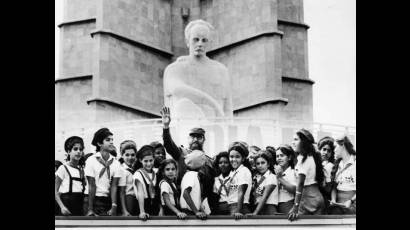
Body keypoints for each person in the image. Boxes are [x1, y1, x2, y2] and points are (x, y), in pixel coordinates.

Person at [160, 106, 212, 184]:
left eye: (199, 137)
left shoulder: (208, 160)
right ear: (188, 139)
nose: (195, 140)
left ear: (204, 140)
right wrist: (166, 127)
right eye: (193, 137)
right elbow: (169, 145)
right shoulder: (181, 153)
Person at [83, 128, 123, 216]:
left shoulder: (116, 163)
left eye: (112, 140)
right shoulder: (91, 160)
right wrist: (90, 209)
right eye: (108, 140)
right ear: (99, 143)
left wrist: (114, 205)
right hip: (91, 199)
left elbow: (114, 186)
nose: (111, 142)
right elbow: (91, 185)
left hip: (106, 200)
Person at [288, 129, 325, 221]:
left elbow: (300, 184)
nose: (293, 142)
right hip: (317, 198)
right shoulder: (312, 157)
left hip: (308, 200)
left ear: (303, 142)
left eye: (296, 139)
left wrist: (295, 207)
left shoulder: (303, 159)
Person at [55, 136, 86, 216]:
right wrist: (62, 207)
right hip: (66, 206)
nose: (78, 151)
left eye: (80, 149)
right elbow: (55, 191)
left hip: (79, 206)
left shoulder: (81, 170)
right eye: (75, 149)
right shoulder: (63, 168)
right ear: (68, 151)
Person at [328, 135, 356, 214]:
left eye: (335, 147)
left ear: (343, 145)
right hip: (338, 203)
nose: (334, 150)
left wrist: (351, 201)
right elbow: (334, 187)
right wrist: (333, 200)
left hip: (353, 202)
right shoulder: (337, 164)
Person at [180, 150, 210, 220]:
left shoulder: (192, 175)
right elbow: (185, 194)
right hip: (190, 212)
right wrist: (196, 212)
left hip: (191, 211)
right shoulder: (191, 175)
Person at [133, 145, 160, 220]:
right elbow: (140, 192)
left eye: (151, 160)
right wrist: (142, 211)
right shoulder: (138, 174)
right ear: (140, 160)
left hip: (155, 206)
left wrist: (161, 209)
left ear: (154, 159)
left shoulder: (156, 172)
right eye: (145, 161)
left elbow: (159, 192)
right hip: (143, 205)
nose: (149, 164)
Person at [227, 143, 252, 219]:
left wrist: (238, 211)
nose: (234, 159)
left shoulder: (244, 171)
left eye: (237, 157)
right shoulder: (234, 172)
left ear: (243, 158)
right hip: (232, 206)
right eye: (231, 157)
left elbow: (241, 192)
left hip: (239, 206)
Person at [274, 145, 297, 214]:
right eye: (277, 156)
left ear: (289, 157)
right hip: (275, 205)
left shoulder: (294, 172)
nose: (279, 158)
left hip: (288, 204)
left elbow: (295, 189)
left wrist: (280, 178)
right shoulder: (275, 171)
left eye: (282, 155)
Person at [118, 140, 139, 216]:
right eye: (127, 155)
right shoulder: (122, 170)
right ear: (122, 155)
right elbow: (122, 192)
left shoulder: (136, 169)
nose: (130, 157)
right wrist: (124, 210)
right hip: (128, 200)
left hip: (136, 199)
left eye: (133, 155)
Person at [317, 136, 336, 210]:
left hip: (325, 196)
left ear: (331, 153)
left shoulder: (330, 166)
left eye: (329, 151)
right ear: (319, 150)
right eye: (324, 149)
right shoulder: (314, 163)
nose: (326, 153)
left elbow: (328, 188)